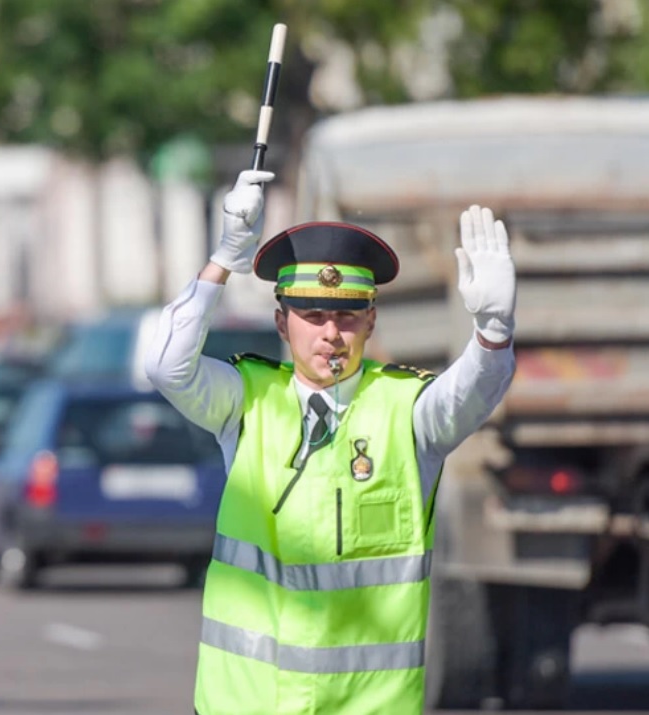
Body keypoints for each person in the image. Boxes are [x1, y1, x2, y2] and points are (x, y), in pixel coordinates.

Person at [144, 169, 517, 715]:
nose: (330, 333)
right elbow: (165, 367)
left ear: (370, 321)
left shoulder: (406, 412)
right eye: (312, 315)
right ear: (281, 321)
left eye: (346, 316)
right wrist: (223, 258)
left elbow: (472, 394)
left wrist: (493, 331)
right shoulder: (246, 401)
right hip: (248, 703)